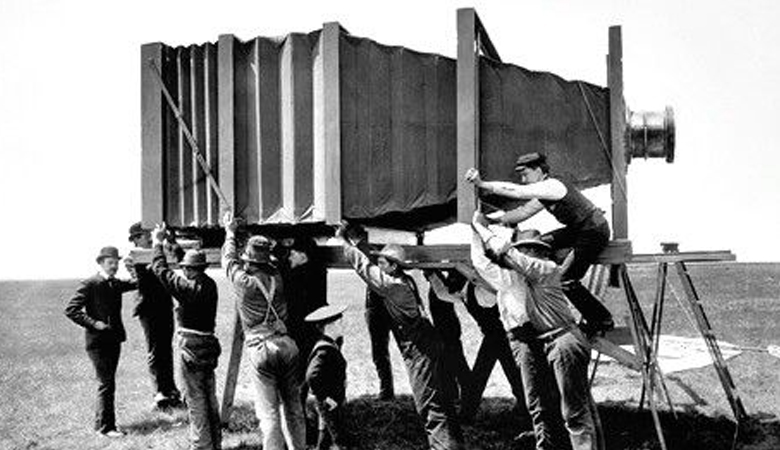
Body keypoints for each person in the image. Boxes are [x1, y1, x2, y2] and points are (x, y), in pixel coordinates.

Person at [471, 212, 600, 450]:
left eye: (526, 250)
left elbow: (505, 253)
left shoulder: (544, 268)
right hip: (554, 340)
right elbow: (483, 263)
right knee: (569, 407)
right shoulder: (526, 275)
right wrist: (476, 234)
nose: (522, 255)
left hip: (562, 340)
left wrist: (479, 227)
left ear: (536, 252)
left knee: (574, 412)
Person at [336, 222, 463, 450]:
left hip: (420, 349)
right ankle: (455, 444)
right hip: (429, 342)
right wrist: (359, 240)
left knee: (429, 405)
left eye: (383, 263)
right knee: (442, 400)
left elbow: (364, 267)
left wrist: (343, 240)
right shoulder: (405, 280)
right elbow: (369, 264)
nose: (379, 265)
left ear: (393, 266)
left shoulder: (393, 286)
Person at [465, 152, 614, 333]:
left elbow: (517, 192)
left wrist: (482, 184)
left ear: (538, 170)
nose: (523, 180)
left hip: (593, 232)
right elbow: (523, 212)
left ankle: (602, 320)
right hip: (578, 230)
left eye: (525, 174)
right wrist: (491, 221)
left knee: (565, 280)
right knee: (539, 244)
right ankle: (541, 272)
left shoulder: (553, 186)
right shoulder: (545, 193)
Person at [221, 211, 305, 450]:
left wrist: (230, 233)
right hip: (287, 345)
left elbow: (229, 261)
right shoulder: (277, 277)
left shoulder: (244, 283)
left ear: (248, 261)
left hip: (261, 348)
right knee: (293, 407)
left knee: (269, 414)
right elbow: (274, 259)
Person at [149, 224, 222, 450]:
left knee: (195, 399)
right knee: (210, 397)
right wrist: (173, 244)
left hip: (191, 347)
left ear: (189, 270)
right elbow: (188, 264)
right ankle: (215, 443)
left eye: (185, 268)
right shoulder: (209, 284)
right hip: (209, 345)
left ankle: (201, 446)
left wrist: (157, 243)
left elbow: (160, 269)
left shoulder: (186, 288)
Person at [426, 270, 529, 427]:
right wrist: (432, 275)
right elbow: (443, 294)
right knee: (504, 373)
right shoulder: (464, 292)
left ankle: (468, 414)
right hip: (495, 337)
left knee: (487, 374)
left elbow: (495, 294)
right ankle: (523, 409)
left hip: (501, 335)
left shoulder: (480, 290)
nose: (452, 289)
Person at [65, 246, 137, 437]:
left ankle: (102, 425)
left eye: (116, 263)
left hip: (114, 339)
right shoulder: (90, 283)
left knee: (108, 383)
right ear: (101, 263)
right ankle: (106, 428)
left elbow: (137, 283)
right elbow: (71, 310)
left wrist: (133, 268)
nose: (114, 266)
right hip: (97, 342)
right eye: (110, 263)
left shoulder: (115, 283)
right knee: (106, 383)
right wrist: (93, 323)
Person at [127, 222, 183, 409]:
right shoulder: (134, 257)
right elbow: (147, 277)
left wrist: (170, 240)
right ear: (136, 239)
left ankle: (170, 390)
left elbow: (177, 256)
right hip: (149, 308)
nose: (150, 237)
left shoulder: (157, 252)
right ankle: (159, 392)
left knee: (165, 349)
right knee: (155, 351)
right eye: (145, 234)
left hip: (164, 305)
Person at [422, 270, 472, 412]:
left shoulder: (442, 283)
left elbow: (442, 293)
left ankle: (464, 397)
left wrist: (431, 274)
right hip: (447, 330)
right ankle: (457, 396)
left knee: (455, 365)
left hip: (447, 331)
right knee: (451, 364)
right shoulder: (441, 280)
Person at [304, 304, 352, 450]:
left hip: (330, 401)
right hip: (329, 403)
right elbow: (312, 376)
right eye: (340, 323)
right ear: (330, 326)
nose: (343, 326)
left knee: (324, 437)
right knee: (340, 439)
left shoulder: (330, 345)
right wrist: (325, 398)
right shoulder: (324, 350)